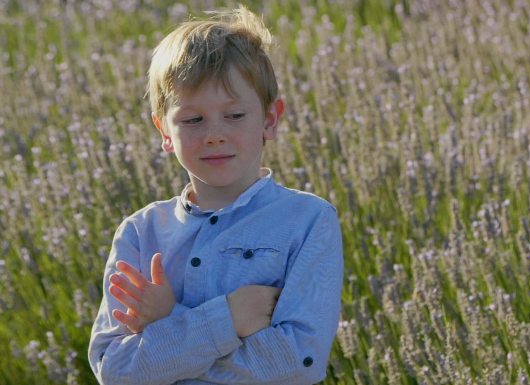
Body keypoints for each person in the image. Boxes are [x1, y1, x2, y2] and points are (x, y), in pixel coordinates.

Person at [88, 6, 343, 385]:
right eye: (193, 120)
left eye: (235, 115)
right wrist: (228, 319)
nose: (214, 134)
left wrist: (167, 325)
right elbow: (115, 370)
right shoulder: (141, 233)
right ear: (165, 131)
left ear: (270, 120)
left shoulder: (307, 222)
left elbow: (296, 362)